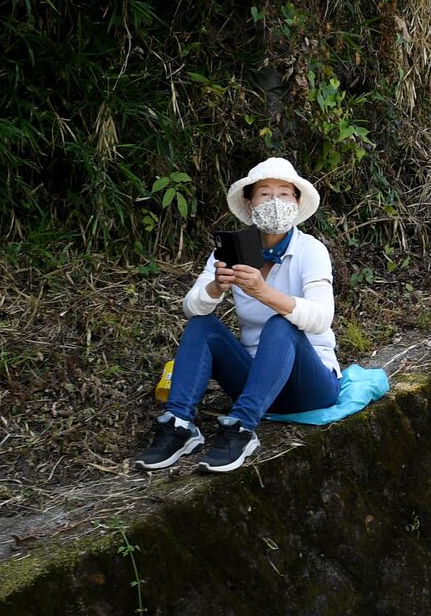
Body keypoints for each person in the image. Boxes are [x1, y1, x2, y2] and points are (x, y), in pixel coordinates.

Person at [133, 157, 341, 473]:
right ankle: (178, 424)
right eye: (265, 194)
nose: (275, 201)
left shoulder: (311, 250)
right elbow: (191, 307)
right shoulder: (232, 250)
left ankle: (241, 429)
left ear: (297, 202)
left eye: (285, 194)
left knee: (280, 323)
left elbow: (322, 317)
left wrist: (263, 292)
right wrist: (216, 287)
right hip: (255, 378)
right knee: (203, 325)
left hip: (309, 384)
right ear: (249, 202)